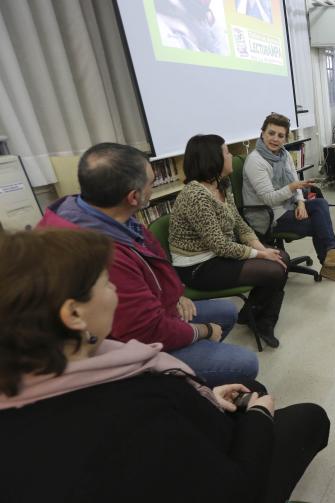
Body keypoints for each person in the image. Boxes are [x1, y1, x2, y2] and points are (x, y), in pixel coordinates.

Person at [0, 228, 330, 503]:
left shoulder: (38, 378)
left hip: (183, 434)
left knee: (250, 389)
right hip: (220, 472)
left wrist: (206, 397)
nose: (115, 289)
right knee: (309, 417)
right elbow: (233, 490)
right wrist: (258, 419)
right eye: (105, 282)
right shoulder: (132, 406)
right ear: (73, 314)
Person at [38, 143, 256, 387]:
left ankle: (193, 382)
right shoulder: (102, 254)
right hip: (127, 346)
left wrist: (176, 295)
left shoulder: (104, 214)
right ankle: (179, 387)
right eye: (152, 183)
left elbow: (156, 261)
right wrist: (203, 330)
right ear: (133, 197)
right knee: (245, 363)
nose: (153, 189)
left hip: (157, 310)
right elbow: (145, 330)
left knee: (226, 312)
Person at [169, 134, 288, 348]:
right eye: (226, 152)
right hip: (197, 266)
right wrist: (262, 254)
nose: (231, 155)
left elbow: (239, 225)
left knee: (281, 257)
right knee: (275, 269)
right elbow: (220, 245)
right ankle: (261, 319)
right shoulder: (195, 195)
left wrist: (262, 248)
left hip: (217, 255)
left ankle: (254, 314)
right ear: (212, 158)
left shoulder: (222, 186)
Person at [242, 113, 335, 282]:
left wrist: (301, 203)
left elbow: (295, 181)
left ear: (285, 138)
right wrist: (292, 189)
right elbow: (269, 198)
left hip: (287, 206)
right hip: (268, 216)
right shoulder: (256, 161)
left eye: (280, 135)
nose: (275, 139)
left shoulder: (283, 154)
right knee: (319, 224)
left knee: (320, 203)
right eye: (271, 133)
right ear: (262, 133)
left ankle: (332, 254)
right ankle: (330, 260)